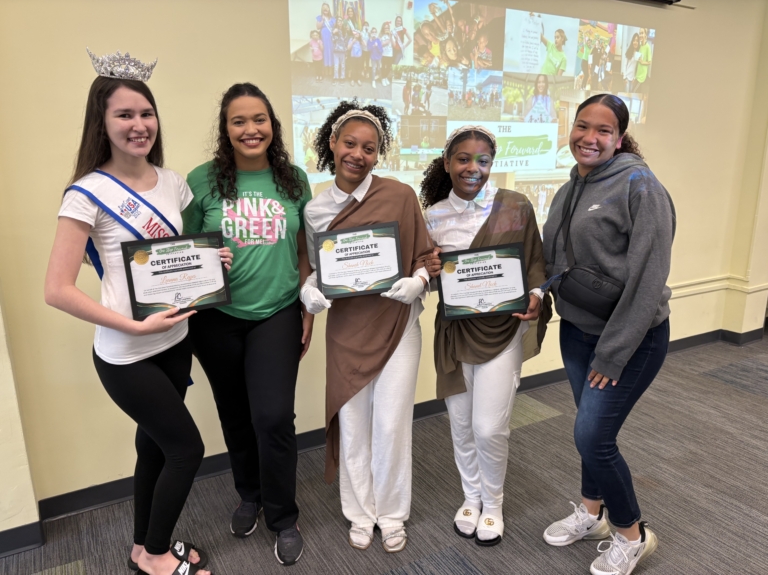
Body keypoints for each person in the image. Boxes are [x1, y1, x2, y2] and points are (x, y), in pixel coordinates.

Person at [45, 50, 232, 575]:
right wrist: (133, 324)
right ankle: (153, 556)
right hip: (128, 353)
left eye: (145, 113)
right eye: (124, 115)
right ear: (101, 123)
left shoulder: (172, 182)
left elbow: (174, 258)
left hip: (174, 342)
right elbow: (57, 290)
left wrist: (209, 261)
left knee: (153, 447)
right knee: (186, 450)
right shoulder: (87, 194)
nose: (139, 125)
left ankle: (140, 544)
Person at [541, 94, 675, 575]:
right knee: (587, 431)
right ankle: (590, 512)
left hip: (631, 340)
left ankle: (631, 533)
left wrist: (612, 354)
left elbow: (647, 280)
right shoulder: (571, 185)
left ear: (619, 138)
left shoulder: (641, 186)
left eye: (602, 130)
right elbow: (554, 254)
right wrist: (538, 292)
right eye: (582, 126)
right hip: (578, 329)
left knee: (593, 437)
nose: (589, 138)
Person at [184, 83, 313, 567]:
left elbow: (303, 250)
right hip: (216, 317)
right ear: (225, 129)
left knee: (274, 417)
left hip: (276, 312)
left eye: (259, 119)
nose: (250, 129)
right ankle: (249, 494)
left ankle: (283, 517)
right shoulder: (201, 181)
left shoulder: (293, 180)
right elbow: (184, 249)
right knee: (235, 412)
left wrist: (305, 307)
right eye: (238, 121)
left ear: (272, 125)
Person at [300, 100, 433, 553]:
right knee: (354, 423)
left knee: (392, 425)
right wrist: (309, 291)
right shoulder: (316, 209)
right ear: (332, 144)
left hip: (398, 323)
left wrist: (418, 281)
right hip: (346, 329)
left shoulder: (399, 195)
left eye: (370, 148)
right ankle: (359, 513)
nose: (358, 154)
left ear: (380, 153)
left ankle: (392, 513)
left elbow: (426, 256)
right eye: (350, 144)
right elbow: (315, 267)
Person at [420, 126, 550, 547]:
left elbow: (534, 261)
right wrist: (430, 271)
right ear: (447, 163)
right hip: (455, 333)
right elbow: (425, 276)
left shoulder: (515, 206)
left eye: (483, 160)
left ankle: (493, 504)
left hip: (503, 330)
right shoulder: (433, 215)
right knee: (460, 424)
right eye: (463, 159)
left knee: (489, 427)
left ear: (492, 164)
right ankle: (470, 498)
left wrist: (534, 294)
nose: (472, 168)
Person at [315, 3, 336, 81]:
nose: (325, 9)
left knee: (331, 52)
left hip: (331, 39)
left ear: (329, 9)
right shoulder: (320, 17)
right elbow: (318, 27)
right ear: (322, 10)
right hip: (323, 38)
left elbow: (335, 28)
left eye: (326, 8)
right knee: (324, 53)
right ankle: (325, 69)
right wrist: (323, 20)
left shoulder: (333, 18)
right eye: (323, 8)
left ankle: (330, 69)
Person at [635, 28, 652, 94]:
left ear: (645, 35)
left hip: (642, 77)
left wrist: (642, 62)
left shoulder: (648, 47)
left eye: (642, 33)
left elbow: (649, 62)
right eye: (640, 33)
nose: (640, 35)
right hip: (637, 75)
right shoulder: (640, 46)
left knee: (636, 93)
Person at [332, 17, 347, 85]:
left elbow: (345, 41)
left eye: (341, 21)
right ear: (336, 23)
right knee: (336, 65)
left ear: (342, 23)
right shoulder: (334, 30)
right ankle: (336, 77)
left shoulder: (344, 31)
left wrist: (346, 51)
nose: (339, 22)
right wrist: (334, 33)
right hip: (336, 51)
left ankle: (342, 77)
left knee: (343, 65)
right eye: (338, 21)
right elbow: (333, 40)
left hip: (343, 51)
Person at [380, 21, 394, 86]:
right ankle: (383, 79)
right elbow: (381, 44)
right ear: (383, 29)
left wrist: (390, 36)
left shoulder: (391, 35)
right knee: (384, 67)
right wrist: (387, 41)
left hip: (390, 54)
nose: (386, 29)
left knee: (389, 67)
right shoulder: (381, 35)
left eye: (387, 28)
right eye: (385, 28)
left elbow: (393, 44)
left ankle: (385, 78)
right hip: (383, 54)